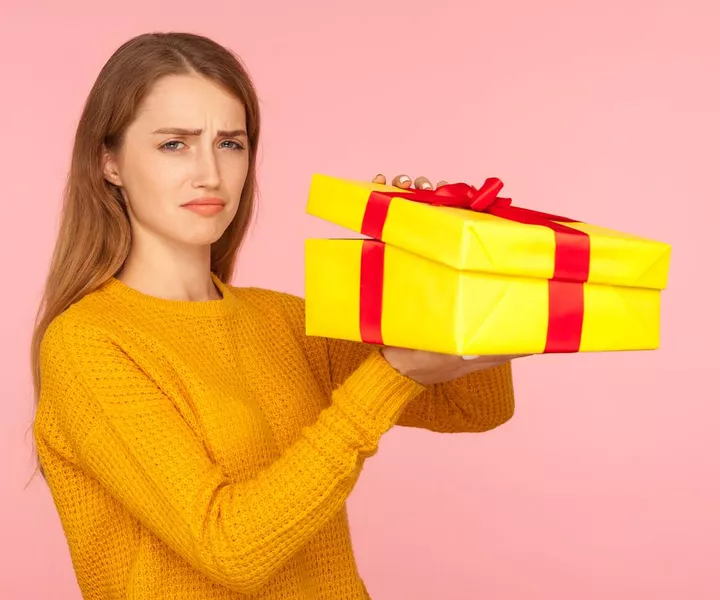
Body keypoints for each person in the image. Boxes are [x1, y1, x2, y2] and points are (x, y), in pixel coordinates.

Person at [31, 31, 520, 600]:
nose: (209, 173)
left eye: (230, 143)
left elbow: (476, 406)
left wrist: (436, 260)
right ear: (108, 162)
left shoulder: (284, 321)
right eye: (174, 144)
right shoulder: (89, 345)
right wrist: (387, 377)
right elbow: (230, 549)